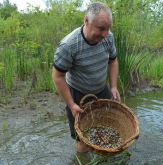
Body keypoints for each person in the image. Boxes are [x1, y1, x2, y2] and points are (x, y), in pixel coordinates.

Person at [52, 2, 121, 153]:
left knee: (106, 128)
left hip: (102, 90)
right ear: (87, 21)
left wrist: (114, 87)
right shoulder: (69, 45)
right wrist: (71, 104)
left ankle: (103, 156)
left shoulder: (108, 38)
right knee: (82, 140)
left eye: (108, 28)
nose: (105, 33)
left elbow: (113, 60)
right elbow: (58, 76)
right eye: (101, 28)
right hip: (78, 94)